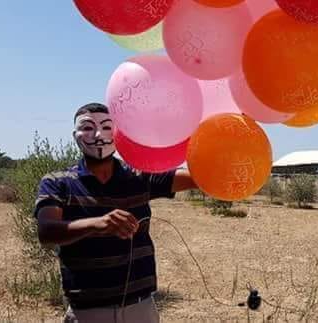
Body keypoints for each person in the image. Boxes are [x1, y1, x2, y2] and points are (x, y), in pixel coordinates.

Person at [35, 103, 197, 323]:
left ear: (119, 133)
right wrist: (96, 224)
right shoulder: (57, 182)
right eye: (88, 127)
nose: (99, 135)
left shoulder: (139, 176)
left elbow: (197, 177)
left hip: (140, 308)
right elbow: (47, 232)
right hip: (87, 312)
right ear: (76, 135)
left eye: (107, 127)